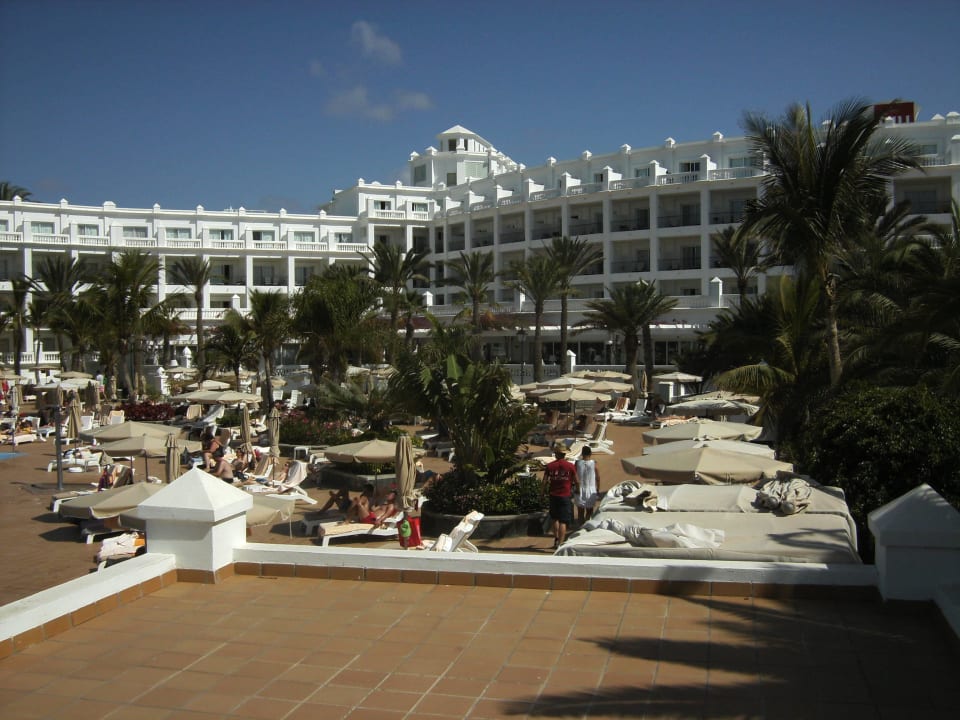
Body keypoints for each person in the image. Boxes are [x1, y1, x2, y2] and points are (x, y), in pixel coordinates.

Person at [543, 441, 579, 549]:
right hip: (565, 495)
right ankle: (561, 544)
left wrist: (541, 493)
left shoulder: (550, 466)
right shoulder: (570, 466)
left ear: (556, 454)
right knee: (563, 521)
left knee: (555, 519)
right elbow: (577, 480)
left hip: (553, 495)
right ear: (564, 454)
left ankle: (556, 539)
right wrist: (578, 490)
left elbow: (544, 481)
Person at [574, 446, 601, 525]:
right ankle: (587, 526)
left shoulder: (577, 463)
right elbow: (598, 478)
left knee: (580, 511)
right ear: (590, 453)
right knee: (589, 511)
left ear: (582, 453)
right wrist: (598, 489)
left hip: (579, 489)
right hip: (591, 489)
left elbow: (574, 476)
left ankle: (580, 526)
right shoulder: (594, 463)